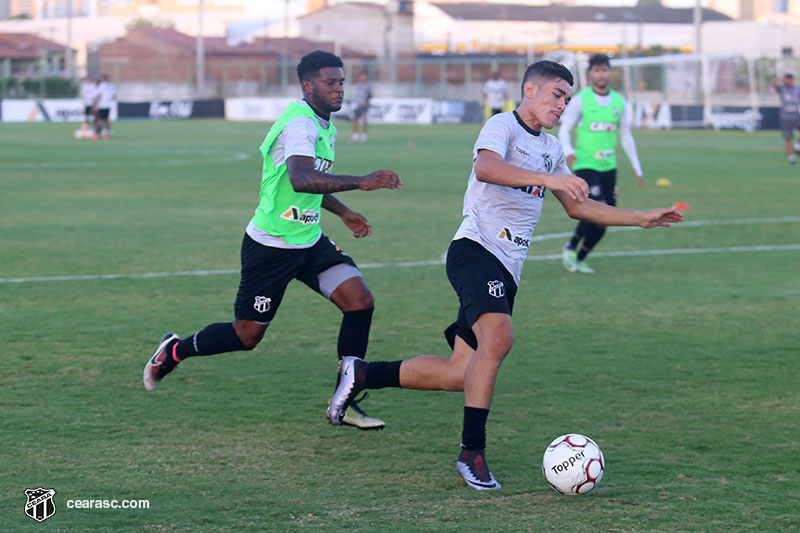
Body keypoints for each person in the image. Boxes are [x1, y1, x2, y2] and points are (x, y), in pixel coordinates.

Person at [328, 60, 683, 490]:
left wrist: (640, 217)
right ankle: (470, 454)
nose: (562, 105)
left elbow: (578, 206)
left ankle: (362, 374)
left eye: (568, 99)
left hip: (507, 267)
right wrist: (547, 180)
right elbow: (486, 168)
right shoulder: (503, 126)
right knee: (499, 339)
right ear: (530, 90)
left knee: (461, 373)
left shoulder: (551, 149)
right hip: (475, 250)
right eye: (556, 95)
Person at [143, 51, 403, 431]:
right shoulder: (300, 124)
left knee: (360, 302)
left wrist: (343, 211)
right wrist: (362, 181)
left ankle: (344, 400)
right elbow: (301, 178)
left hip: (309, 242)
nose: (339, 89)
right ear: (307, 85)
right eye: (330, 83)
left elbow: (309, 184)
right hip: (271, 246)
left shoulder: (323, 125)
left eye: (342, 82)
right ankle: (175, 350)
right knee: (247, 335)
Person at [558, 53, 644, 274]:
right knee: (599, 207)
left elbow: (626, 134)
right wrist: (568, 151)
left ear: (609, 72)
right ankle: (570, 247)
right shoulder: (580, 100)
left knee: (606, 218)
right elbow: (565, 127)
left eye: (604, 69)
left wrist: (636, 164)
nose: (601, 74)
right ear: (590, 74)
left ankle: (579, 257)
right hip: (586, 164)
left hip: (609, 167)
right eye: (596, 70)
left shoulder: (618, 101)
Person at [770, 73, 800, 165]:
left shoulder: (796, 89)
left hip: (796, 115)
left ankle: (797, 146)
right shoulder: (782, 88)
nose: (789, 81)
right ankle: (791, 158)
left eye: (790, 79)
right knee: (788, 138)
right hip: (786, 117)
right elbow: (773, 84)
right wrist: (779, 78)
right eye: (787, 79)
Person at [351, 70, 372, 143]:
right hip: (358, 104)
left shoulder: (368, 85)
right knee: (355, 119)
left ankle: (364, 136)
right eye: (362, 76)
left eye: (364, 76)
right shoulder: (358, 85)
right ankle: (355, 136)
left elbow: (370, 95)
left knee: (364, 120)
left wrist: (366, 101)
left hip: (365, 105)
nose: (363, 77)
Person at [94, 74, 116, 139]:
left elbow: (98, 95)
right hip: (108, 105)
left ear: (103, 79)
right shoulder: (111, 86)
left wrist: (95, 104)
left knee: (98, 119)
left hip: (101, 105)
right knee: (106, 119)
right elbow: (113, 96)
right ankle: (107, 132)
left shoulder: (102, 85)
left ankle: (98, 133)